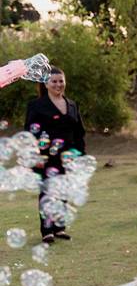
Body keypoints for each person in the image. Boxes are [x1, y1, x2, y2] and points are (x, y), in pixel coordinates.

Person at [25, 66, 86, 244]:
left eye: (61, 81)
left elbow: (79, 132)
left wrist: (80, 154)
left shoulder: (72, 104)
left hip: (68, 156)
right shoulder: (36, 105)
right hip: (46, 156)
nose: (58, 84)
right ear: (46, 84)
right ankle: (47, 231)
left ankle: (59, 227)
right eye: (54, 81)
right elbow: (30, 132)